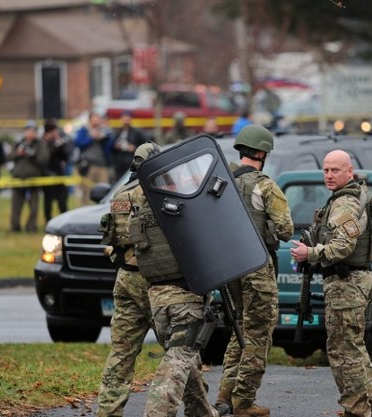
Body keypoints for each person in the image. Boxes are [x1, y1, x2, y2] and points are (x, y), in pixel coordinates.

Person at [127, 146, 227, 417]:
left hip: (158, 300)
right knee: (178, 361)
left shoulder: (141, 208)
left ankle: (202, 412)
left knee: (186, 360)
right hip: (184, 297)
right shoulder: (179, 206)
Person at [290, 150, 372, 417]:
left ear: (349, 172)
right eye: (326, 170)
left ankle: (357, 409)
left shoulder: (345, 203)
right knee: (354, 349)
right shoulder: (350, 197)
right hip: (352, 281)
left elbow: (344, 245)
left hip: (347, 283)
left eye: (335, 170)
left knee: (344, 353)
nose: (329, 175)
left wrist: (309, 254)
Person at [215, 125, 293, 417]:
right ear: (262, 153)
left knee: (240, 330)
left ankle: (225, 394)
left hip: (229, 267)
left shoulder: (220, 183)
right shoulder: (265, 186)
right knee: (259, 334)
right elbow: (286, 230)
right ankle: (244, 402)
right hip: (258, 266)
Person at [95, 144, 155, 417]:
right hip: (154, 280)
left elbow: (112, 239)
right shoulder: (154, 192)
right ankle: (197, 407)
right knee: (181, 352)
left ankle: (108, 411)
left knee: (121, 351)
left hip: (124, 278)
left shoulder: (121, 194)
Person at [9, 121, 50, 232]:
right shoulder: (18, 143)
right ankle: (15, 227)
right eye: (28, 130)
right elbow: (9, 156)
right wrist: (18, 153)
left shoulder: (40, 144)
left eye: (33, 131)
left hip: (33, 179)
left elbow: (44, 159)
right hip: (18, 178)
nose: (30, 133)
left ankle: (31, 227)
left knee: (34, 207)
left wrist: (33, 155)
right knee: (16, 206)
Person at [75, 112, 114, 205]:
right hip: (88, 166)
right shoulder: (84, 130)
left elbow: (110, 147)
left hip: (102, 165)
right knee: (86, 192)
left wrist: (104, 138)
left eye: (98, 119)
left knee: (105, 191)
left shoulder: (104, 130)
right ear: (90, 120)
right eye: (94, 119)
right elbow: (78, 143)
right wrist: (91, 137)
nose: (97, 121)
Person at [42, 120, 71, 222]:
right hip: (47, 175)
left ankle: (65, 220)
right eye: (53, 131)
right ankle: (48, 220)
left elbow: (65, 156)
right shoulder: (43, 143)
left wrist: (61, 146)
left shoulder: (59, 142)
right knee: (48, 201)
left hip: (59, 174)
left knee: (62, 200)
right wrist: (53, 146)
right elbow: (45, 158)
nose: (56, 133)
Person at [111, 111, 151, 180]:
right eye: (123, 119)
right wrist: (116, 147)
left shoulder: (137, 132)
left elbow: (146, 144)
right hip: (119, 163)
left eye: (127, 119)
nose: (125, 121)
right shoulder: (117, 132)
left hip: (131, 162)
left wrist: (134, 148)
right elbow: (111, 147)